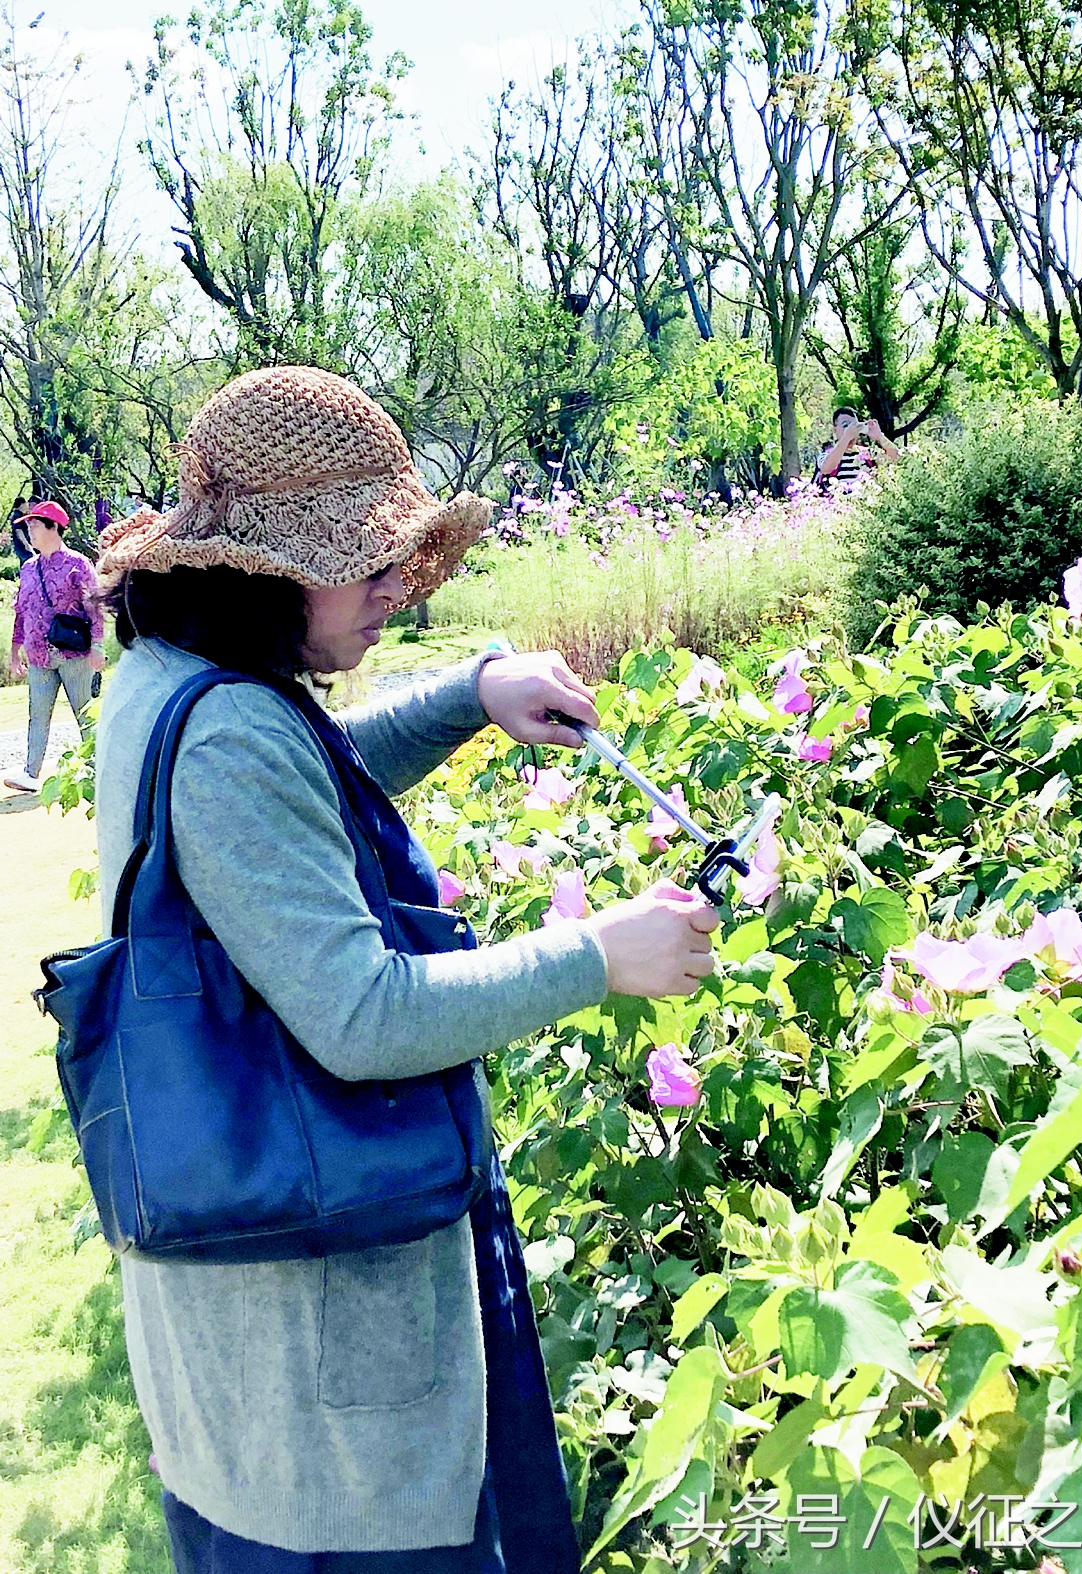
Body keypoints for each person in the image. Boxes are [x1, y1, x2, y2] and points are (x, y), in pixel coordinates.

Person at [92, 365, 719, 1573]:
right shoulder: (228, 729)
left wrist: (469, 697)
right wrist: (598, 954)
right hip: (319, 1364)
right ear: (262, 575)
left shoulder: (177, 685)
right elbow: (364, 1018)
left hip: (264, 1291)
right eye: (366, 562)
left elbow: (297, 802)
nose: (395, 588)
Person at [4, 500, 105, 794]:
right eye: (29, 527)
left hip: (74, 654)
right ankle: (30, 773)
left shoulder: (78, 564)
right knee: (38, 713)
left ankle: (100, 770)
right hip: (38, 657)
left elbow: (94, 608)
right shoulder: (28, 568)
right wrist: (14, 652)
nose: (30, 532)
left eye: (35, 526)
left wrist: (98, 645)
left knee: (85, 714)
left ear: (54, 528)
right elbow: (21, 611)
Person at [815, 405, 902, 486]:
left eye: (854, 426)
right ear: (835, 430)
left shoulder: (868, 454)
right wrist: (846, 437)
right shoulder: (826, 455)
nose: (850, 430)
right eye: (845, 425)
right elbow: (826, 468)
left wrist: (880, 437)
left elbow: (898, 458)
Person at [8, 495, 31, 563]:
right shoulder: (17, 516)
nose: (27, 506)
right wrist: (26, 544)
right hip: (22, 547)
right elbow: (19, 531)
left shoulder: (18, 515)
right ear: (22, 504)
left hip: (20, 546)